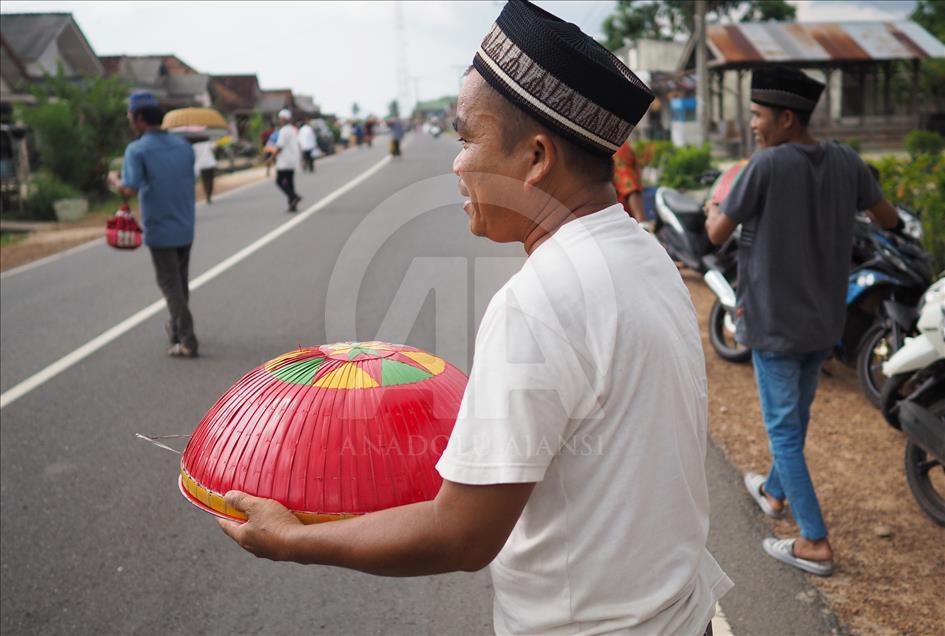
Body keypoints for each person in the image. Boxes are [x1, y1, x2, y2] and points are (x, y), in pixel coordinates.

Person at [218, 2, 731, 634]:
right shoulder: (640, 250)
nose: (456, 164)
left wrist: (293, 540)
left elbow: (460, 536)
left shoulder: (540, 300)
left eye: (466, 138)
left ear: (536, 157)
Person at [705, 65, 900, 577]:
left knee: (784, 431)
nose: (752, 124)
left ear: (786, 119)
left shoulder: (766, 166)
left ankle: (815, 542)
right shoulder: (845, 160)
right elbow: (888, 218)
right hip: (824, 321)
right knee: (796, 420)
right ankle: (773, 493)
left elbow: (716, 234)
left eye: (757, 114)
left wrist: (712, 209)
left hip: (775, 324)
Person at [111, 90, 198, 358]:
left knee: (170, 285)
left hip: (160, 228)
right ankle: (175, 329)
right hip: (185, 224)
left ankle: (187, 339)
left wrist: (113, 180)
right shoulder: (183, 145)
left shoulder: (137, 149)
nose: (128, 118)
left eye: (129, 114)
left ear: (138, 118)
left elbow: (129, 189)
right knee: (180, 282)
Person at [271, 109, 302, 212]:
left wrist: (271, 158)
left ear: (284, 118)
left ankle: (293, 196)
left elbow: (280, 146)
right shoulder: (293, 129)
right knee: (289, 182)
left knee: (279, 181)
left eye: (280, 118)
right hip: (293, 160)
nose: (280, 120)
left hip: (284, 161)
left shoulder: (284, 130)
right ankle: (292, 205)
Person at [612, 139, 646, 223]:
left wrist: (642, 224)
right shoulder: (616, 146)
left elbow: (630, 187)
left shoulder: (618, 148)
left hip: (622, 220)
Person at [193, 139, 217, 203]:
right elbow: (214, 149)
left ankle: (207, 195)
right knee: (210, 180)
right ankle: (209, 194)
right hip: (210, 163)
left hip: (202, 164)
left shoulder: (195, 145)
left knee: (205, 180)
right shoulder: (209, 142)